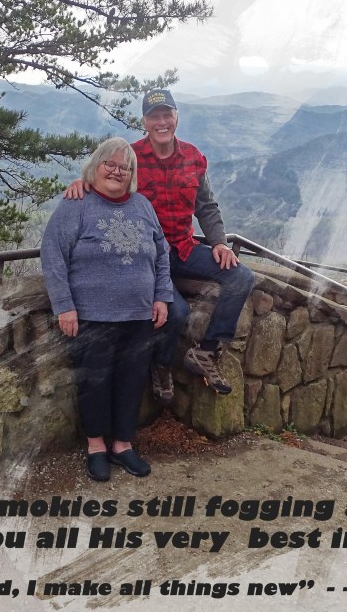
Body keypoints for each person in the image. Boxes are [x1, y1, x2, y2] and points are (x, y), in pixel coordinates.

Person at [65, 88, 255, 400]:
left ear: (176, 118)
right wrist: (83, 183)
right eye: (155, 116)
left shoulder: (193, 158)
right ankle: (162, 365)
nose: (162, 122)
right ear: (145, 122)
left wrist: (220, 243)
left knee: (241, 276)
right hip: (148, 258)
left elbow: (206, 207)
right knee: (175, 313)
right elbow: (106, 181)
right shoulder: (131, 158)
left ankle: (206, 351)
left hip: (184, 248)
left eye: (167, 115)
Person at [41, 137, 172, 482]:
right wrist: (64, 305)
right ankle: (96, 446)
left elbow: (162, 253)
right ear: (95, 167)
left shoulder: (142, 205)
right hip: (92, 315)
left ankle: (123, 445)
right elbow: (53, 254)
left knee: (131, 382)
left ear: (132, 173)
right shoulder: (77, 203)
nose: (116, 171)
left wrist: (162, 296)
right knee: (94, 382)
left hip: (139, 315)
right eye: (109, 164)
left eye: (124, 167)